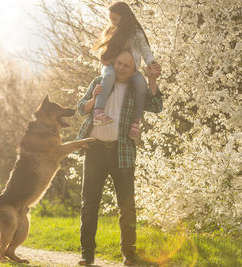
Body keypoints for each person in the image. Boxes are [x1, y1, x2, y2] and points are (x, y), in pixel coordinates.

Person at [76, 49, 163, 266]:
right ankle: (87, 255)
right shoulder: (101, 80)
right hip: (95, 150)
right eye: (119, 63)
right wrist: (94, 98)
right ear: (114, 63)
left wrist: (152, 79)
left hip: (121, 152)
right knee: (89, 204)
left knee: (127, 205)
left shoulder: (136, 88)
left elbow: (157, 106)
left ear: (134, 69)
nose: (122, 68)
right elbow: (81, 108)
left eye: (127, 65)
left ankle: (129, 256)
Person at [91, 1, 161, 141]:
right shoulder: (113, 30)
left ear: (124, 17)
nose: (113, 22)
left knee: (141, 85)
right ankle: (98, 111)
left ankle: (136, 121)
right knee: (109, 76)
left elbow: (145, 51)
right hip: (112, 65)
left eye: (115, 19)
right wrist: (105, 59)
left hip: (132, 68)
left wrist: (152, 63)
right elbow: (104, 50)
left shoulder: (136, 33)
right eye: (111, 19)